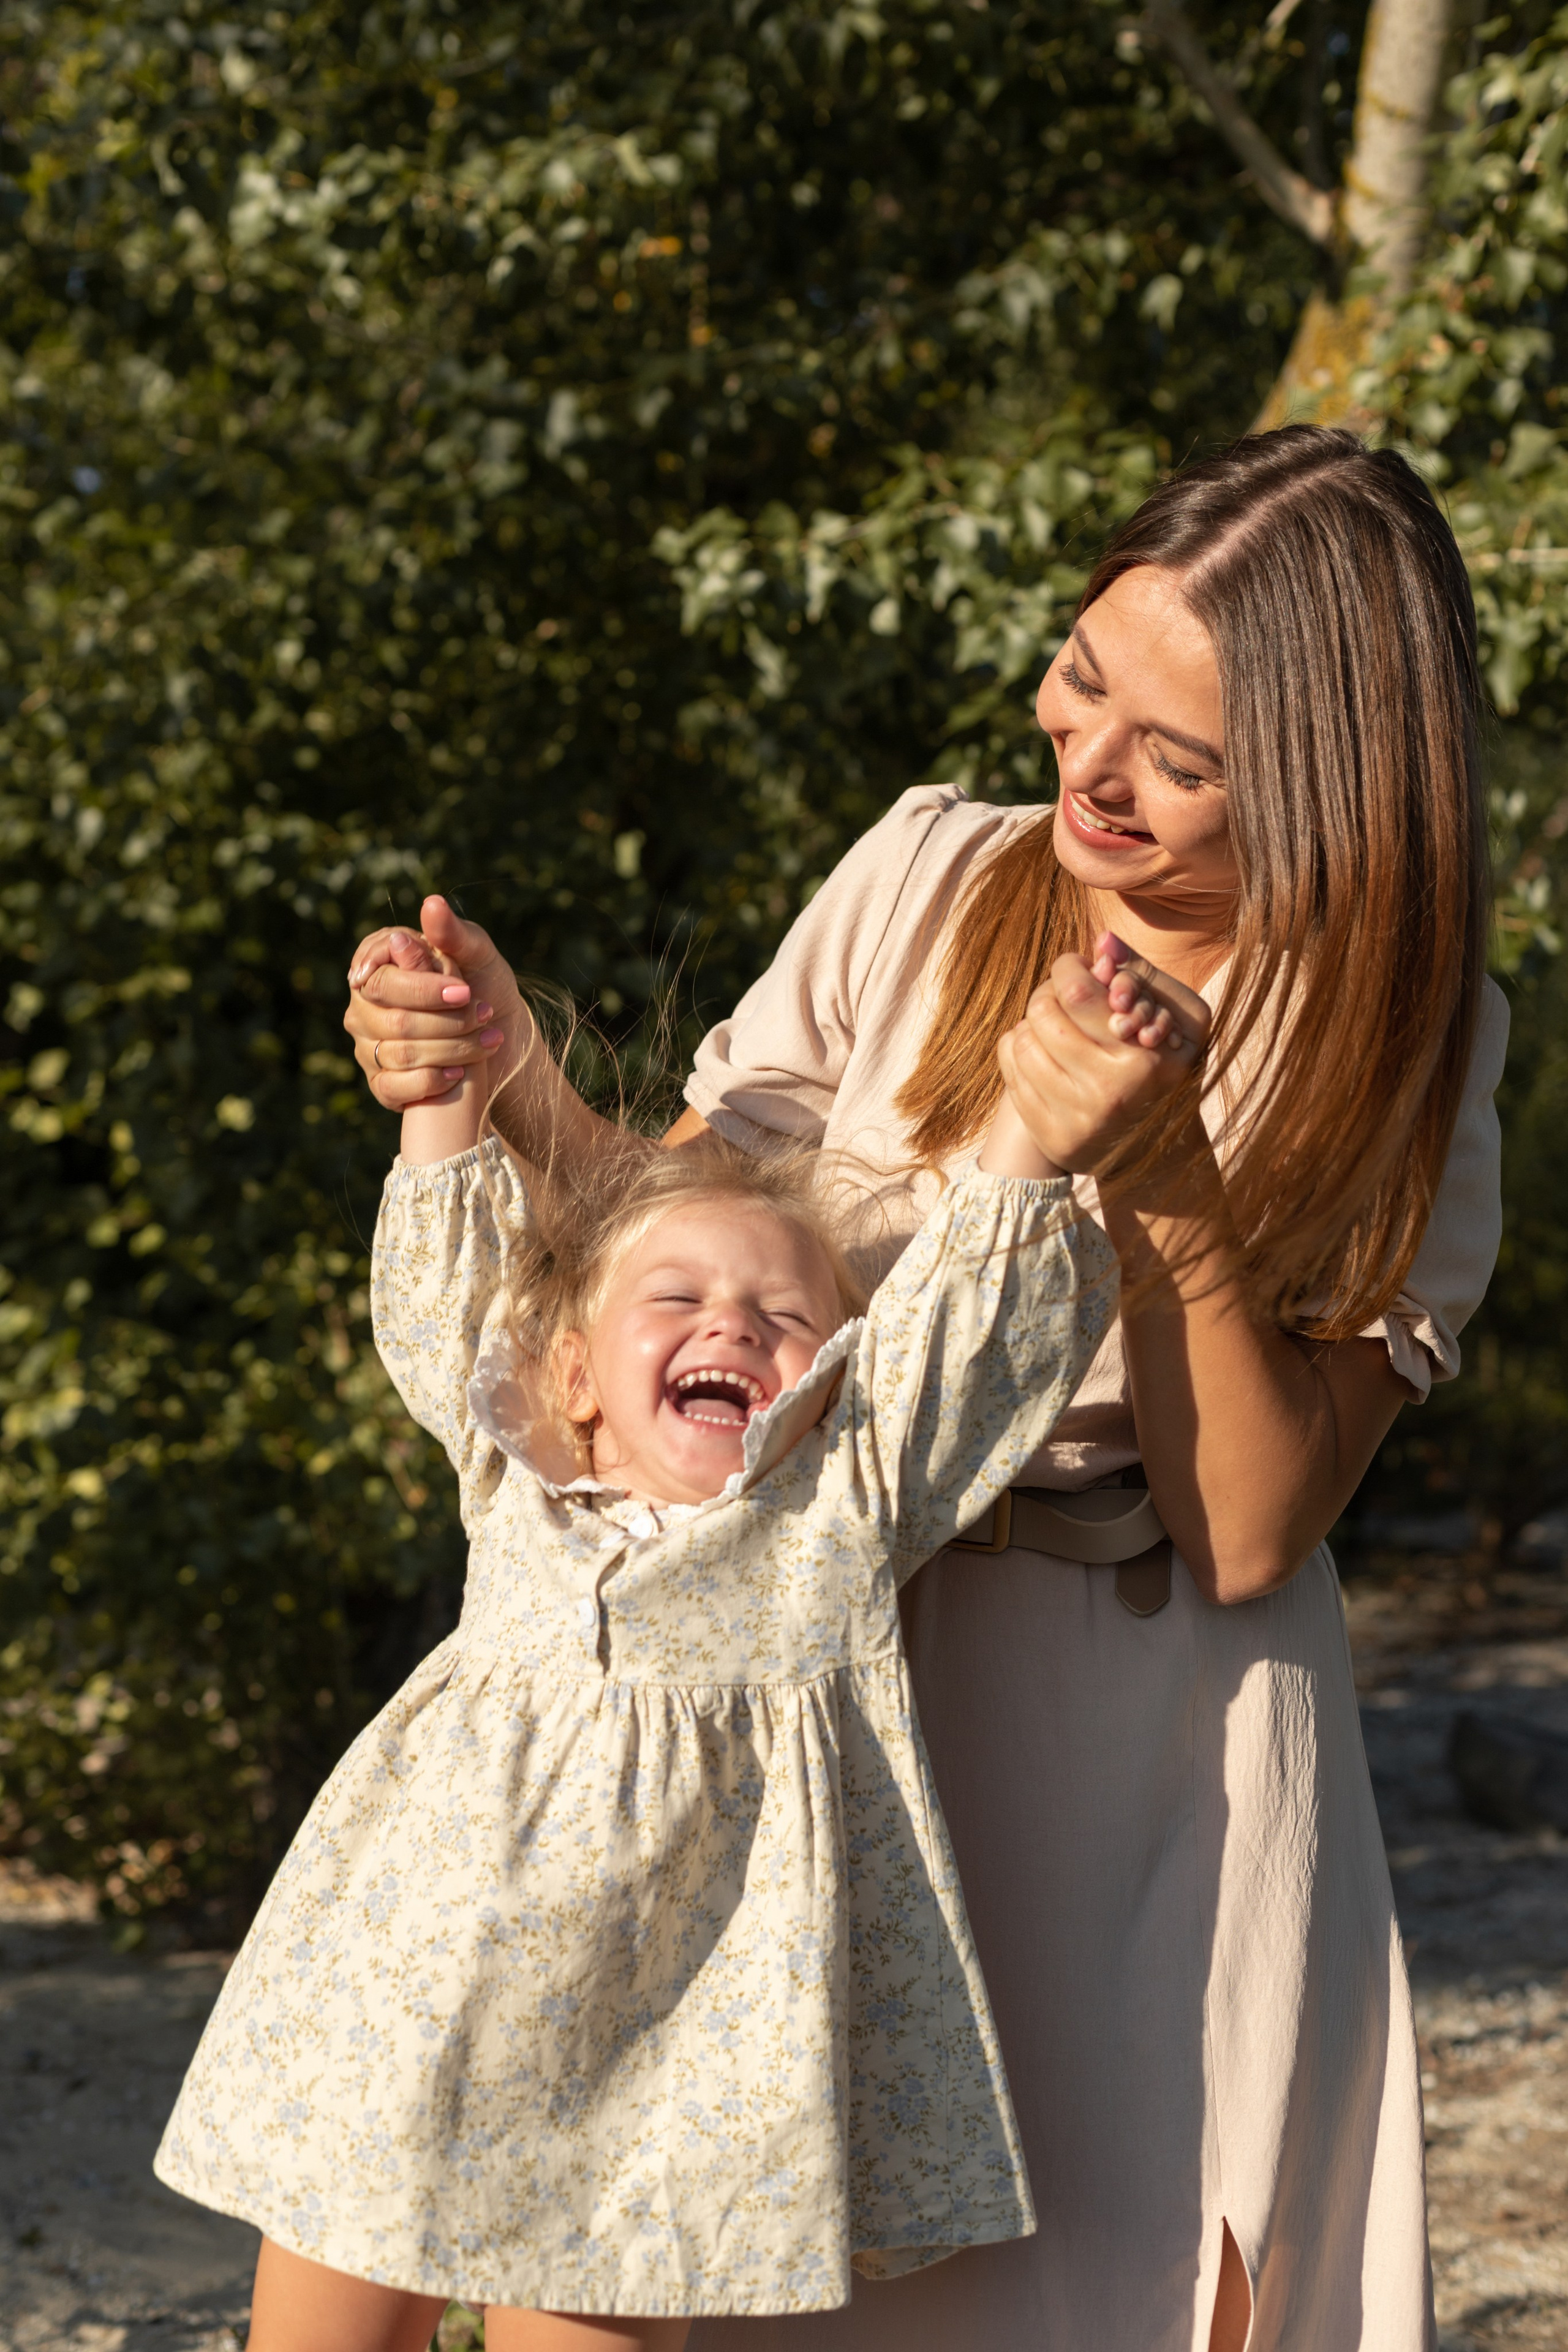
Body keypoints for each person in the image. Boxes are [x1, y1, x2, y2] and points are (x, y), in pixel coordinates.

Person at [342, 427, 1509, 2351]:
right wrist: (507, 1080)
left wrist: (1166, 1176)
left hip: (1150, 1736)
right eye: (1082, 678)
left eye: (1181, 759)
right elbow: (689, 1249)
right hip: (817, 1677)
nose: (1090, 767)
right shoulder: (932, 875)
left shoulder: (1403, 1022)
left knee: (1107, 2276)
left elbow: (1252, 1528)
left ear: (1330, 784)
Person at [155, 949, 1131, 2351]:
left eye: (783, 1315)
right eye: (672, 1299)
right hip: (408, 2007)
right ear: (568, 1373)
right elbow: (445, 1275)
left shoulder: (839, 1501)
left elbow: (968, 1333)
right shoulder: (516, 1465)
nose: (729, 1321)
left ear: (838, 1377)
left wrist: (1038, 1123)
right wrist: (437, 1088)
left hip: (657, 2064)